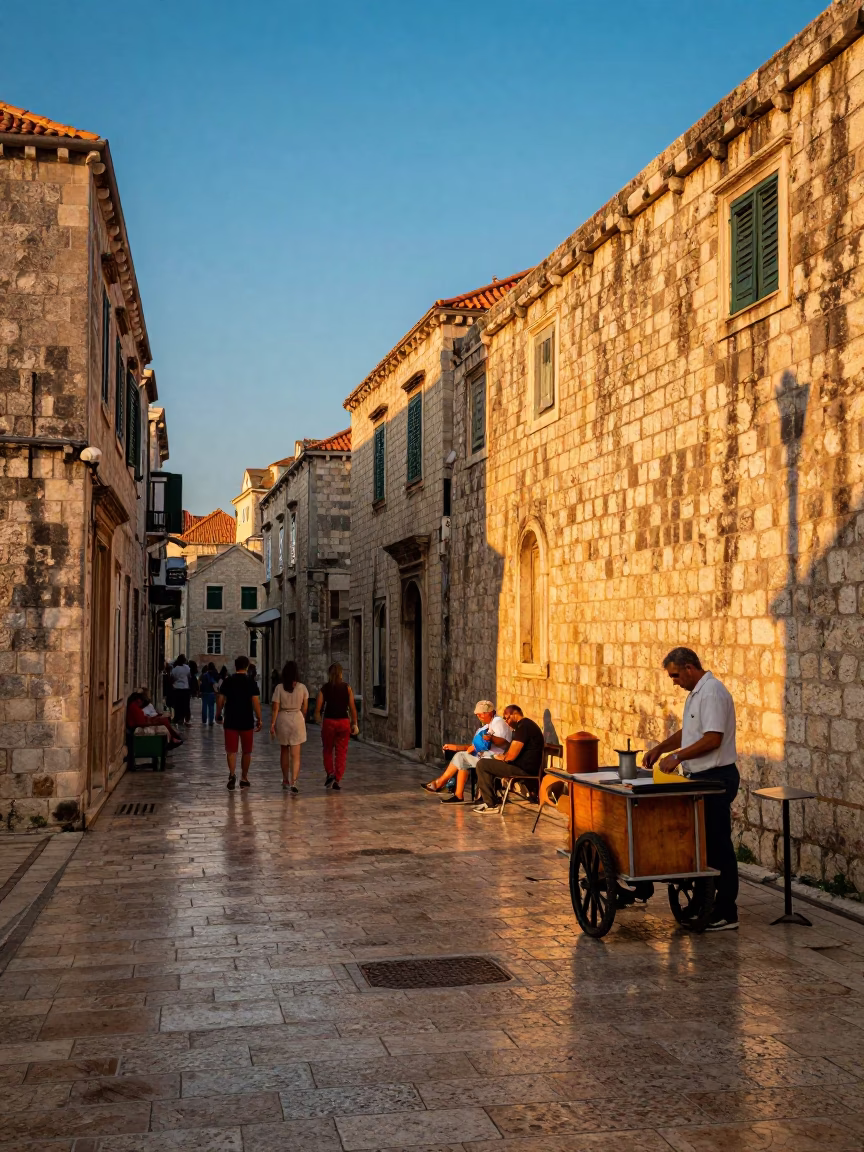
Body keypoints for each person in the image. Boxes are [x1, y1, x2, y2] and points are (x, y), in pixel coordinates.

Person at [643, 647, 740, 932]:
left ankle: (726, 911)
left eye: (675, 675)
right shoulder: (696, 694)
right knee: (701, 845)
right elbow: (691, 733)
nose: (674, 681)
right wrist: (662, 748)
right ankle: (703, 901)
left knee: (719, 845)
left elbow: (712, 739)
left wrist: (678, 757)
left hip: (716, 778)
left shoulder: (711, 692)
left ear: (689, 668)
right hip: (700, 778)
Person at [423, 701, 512, 804]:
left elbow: (502, 742)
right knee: (461, 758)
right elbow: (474, 746)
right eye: (477, 714)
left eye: (481, 714)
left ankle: (441, 784)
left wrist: (489, 739)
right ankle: (457, 794)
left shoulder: (497, 722)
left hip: (494, 758)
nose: (478, 716)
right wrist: (456, 747)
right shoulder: (486, 726)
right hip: (485, 756)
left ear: (490, 712)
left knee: (461, 757)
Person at [473, 705, 545, 814]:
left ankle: (491, 804)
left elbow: (511, 756)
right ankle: (489, 800)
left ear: (514, 715)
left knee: (482, 764)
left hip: (523, 768)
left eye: (507, 718)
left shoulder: (524, 727)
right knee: (487, 763)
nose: (506, 722)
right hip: (523, 766)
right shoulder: (524, 726)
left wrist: (501, 757)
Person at [216, 655, 262, 790]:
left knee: (231, 750)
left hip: (230, 718)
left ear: (235, 666)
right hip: (246, 719)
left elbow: (220, 699)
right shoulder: (251, 682)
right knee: (247, 751)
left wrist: (218, 714)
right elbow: (255, 703)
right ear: (246, 667)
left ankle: (231, 774)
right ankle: (244, 777)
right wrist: (259, 718)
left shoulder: (227, 681)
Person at [314, 663, 358, 791]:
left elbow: (318, 709)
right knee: (341, 752)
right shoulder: (347, 688)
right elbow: (352, 707)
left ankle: (330, 773)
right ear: (341, 674)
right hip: (343, 722)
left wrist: (319, 721)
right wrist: (354, 722)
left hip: (329, 722)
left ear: (329, 674)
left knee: (327, 749)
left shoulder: (325, 688)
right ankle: (337, 779)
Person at [270, 661, 309, 793]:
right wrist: (301, 718)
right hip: (297, 718)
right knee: (296, 754)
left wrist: (272, 723)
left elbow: (275, 707)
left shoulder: (279, 688)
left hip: (283, 719)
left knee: (284, 751)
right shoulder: (302, 688)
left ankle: (285, 779)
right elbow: (305, 707)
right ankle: (294, 781)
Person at [169, 655, 192, 726]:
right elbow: (189, 677)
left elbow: (172, 679)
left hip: (177, 689)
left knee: (178, 705)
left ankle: (178, 718)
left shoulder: (174, 669)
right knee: (186, 705)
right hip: (185, 688)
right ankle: (187, 719)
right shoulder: (187, 668)